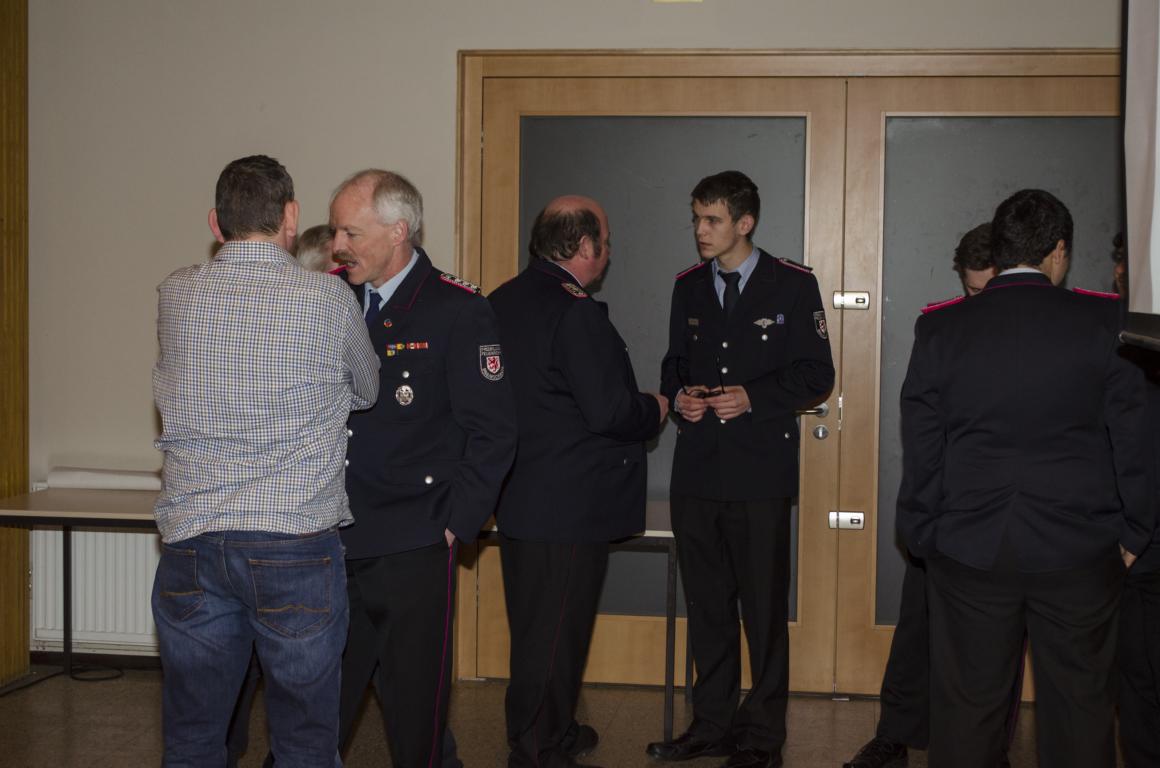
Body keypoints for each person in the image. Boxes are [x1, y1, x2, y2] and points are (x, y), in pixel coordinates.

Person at [897, 189, 1153, 768]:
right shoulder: (1106, 323)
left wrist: (921, 532)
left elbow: (923, 446)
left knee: (966, 717)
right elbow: (1133, 441)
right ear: (1058, 251)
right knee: (1081, 714)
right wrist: (1135, 533)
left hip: (967, 547)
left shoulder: (940, 328)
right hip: (1079, 549)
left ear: (1001, 247)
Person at [151, 154, 379, 767]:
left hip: (193, 542)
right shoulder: (327, 297)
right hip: (294, 542)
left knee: (193, 736)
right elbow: (367, 389)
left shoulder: (176, 293)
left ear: (215, 222)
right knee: (304, 741)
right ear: (291, 216)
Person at [330, 169, 518, 768]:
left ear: (399, 231)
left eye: (351, 233)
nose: (337, 245)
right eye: (336, 232)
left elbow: (494, 431)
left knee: (416, 714)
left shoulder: (457, 309)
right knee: (317, 706)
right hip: (331, 533)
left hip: (414, 538)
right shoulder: (328, 299)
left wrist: (457, 524)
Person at [652, 171, 835, 768]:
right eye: (697, 218)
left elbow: (817, 373)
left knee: (762, 609)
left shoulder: (793, 284)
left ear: (745, 222)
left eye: (713, 220)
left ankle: (761, 736)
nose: (700, 230)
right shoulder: (688, 286)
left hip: (760, 474)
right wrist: (680, 395)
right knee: (708, 606)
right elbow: (674, 362)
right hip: (699, 472)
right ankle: (711, 724)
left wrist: (754, 396)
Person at [489, 195, 668, 768]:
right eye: (606, 242)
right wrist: (656, 407)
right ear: (586, 246)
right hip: (569, 506)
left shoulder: (500, 301)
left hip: (519, 497)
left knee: (537, 632)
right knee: (555, 638)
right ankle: (538, 749)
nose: (608, 252)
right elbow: (609, 411)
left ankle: (553, 731)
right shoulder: (575, 311)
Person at [843, 222, 1012, 768]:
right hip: (944, 504)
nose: (977, 301)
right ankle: (894, 734)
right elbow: (920, 426)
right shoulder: (940, 327)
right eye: (970, 290)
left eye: (987, 290)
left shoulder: (1032, 330)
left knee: (998, 642)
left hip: (1007, 510)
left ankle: (989, 749)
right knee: (917, 626)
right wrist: (918, 510)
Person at [1112, 233, 1160, 768]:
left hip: (1144, 541)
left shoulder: (1133, 336)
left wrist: (1132, 532)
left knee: (1142, 683)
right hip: (1142, 540)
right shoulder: (1121, 333)